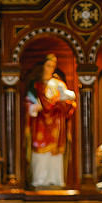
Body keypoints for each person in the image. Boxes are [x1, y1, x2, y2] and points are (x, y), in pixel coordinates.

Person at [25, 52, 77, 188]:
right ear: (42, 66)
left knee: (55, 154)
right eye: (48, 65)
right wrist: (35, 107)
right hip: (40, 123)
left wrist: (59, 101)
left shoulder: (58, 84)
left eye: (53, 66)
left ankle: (55, 180)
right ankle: (39, 180)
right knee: (40, 152)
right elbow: (29, 103)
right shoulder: (36, 85)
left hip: (56, 122)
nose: (50, 69)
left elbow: (69, 99)